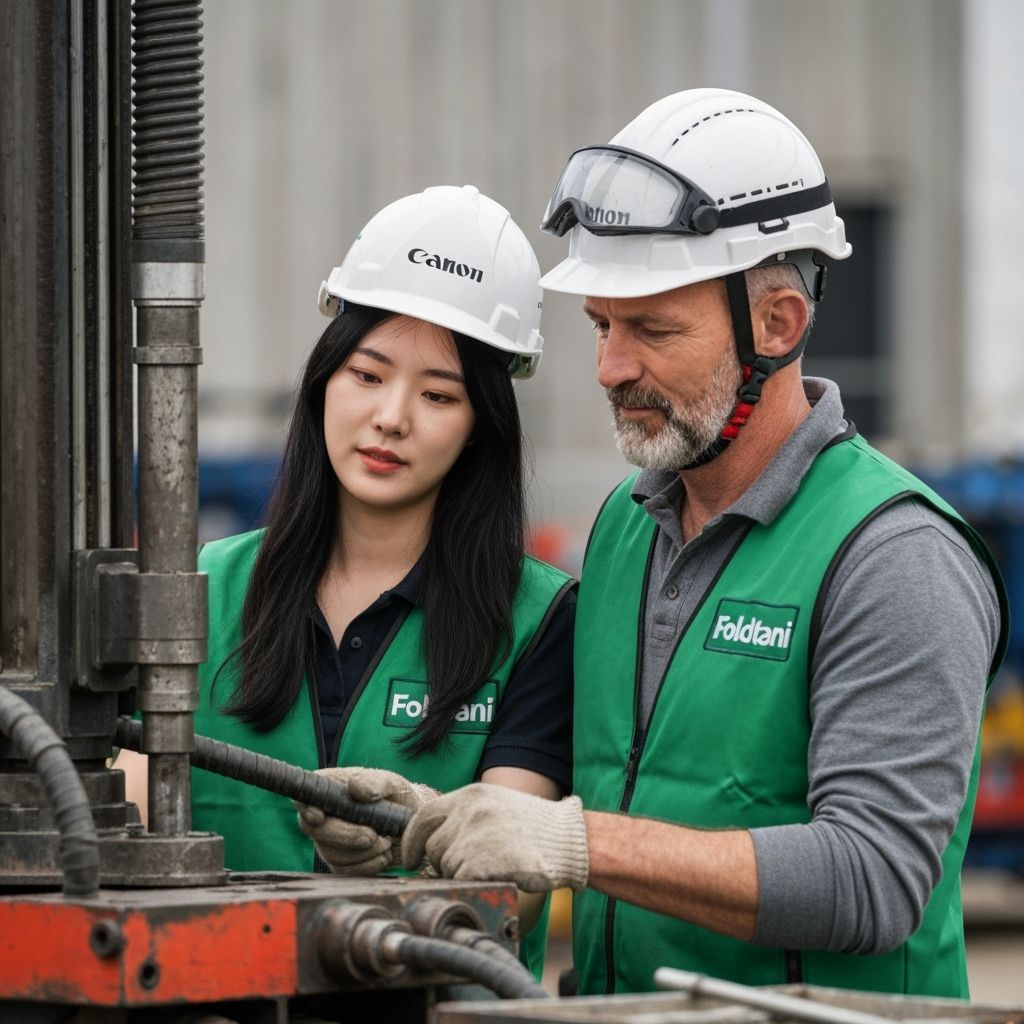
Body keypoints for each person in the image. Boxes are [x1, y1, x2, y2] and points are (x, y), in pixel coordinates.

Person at [396, 89, 1008, 998]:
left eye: (652, 329)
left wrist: (577, 845)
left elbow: (874, 880)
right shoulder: (622, 531)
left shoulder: (892, 555)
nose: (610, 367)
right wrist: (433, 818)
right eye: (601, 324)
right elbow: (595, 778)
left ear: (778, 325)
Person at [117, 185, 576, 976]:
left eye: (438, 395)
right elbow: (111, 821)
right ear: (323, 381)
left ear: (481, 428)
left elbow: (517, 889)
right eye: (367, 375)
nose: (391, 416)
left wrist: (423, 832)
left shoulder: (537, 620)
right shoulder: (196, 590)